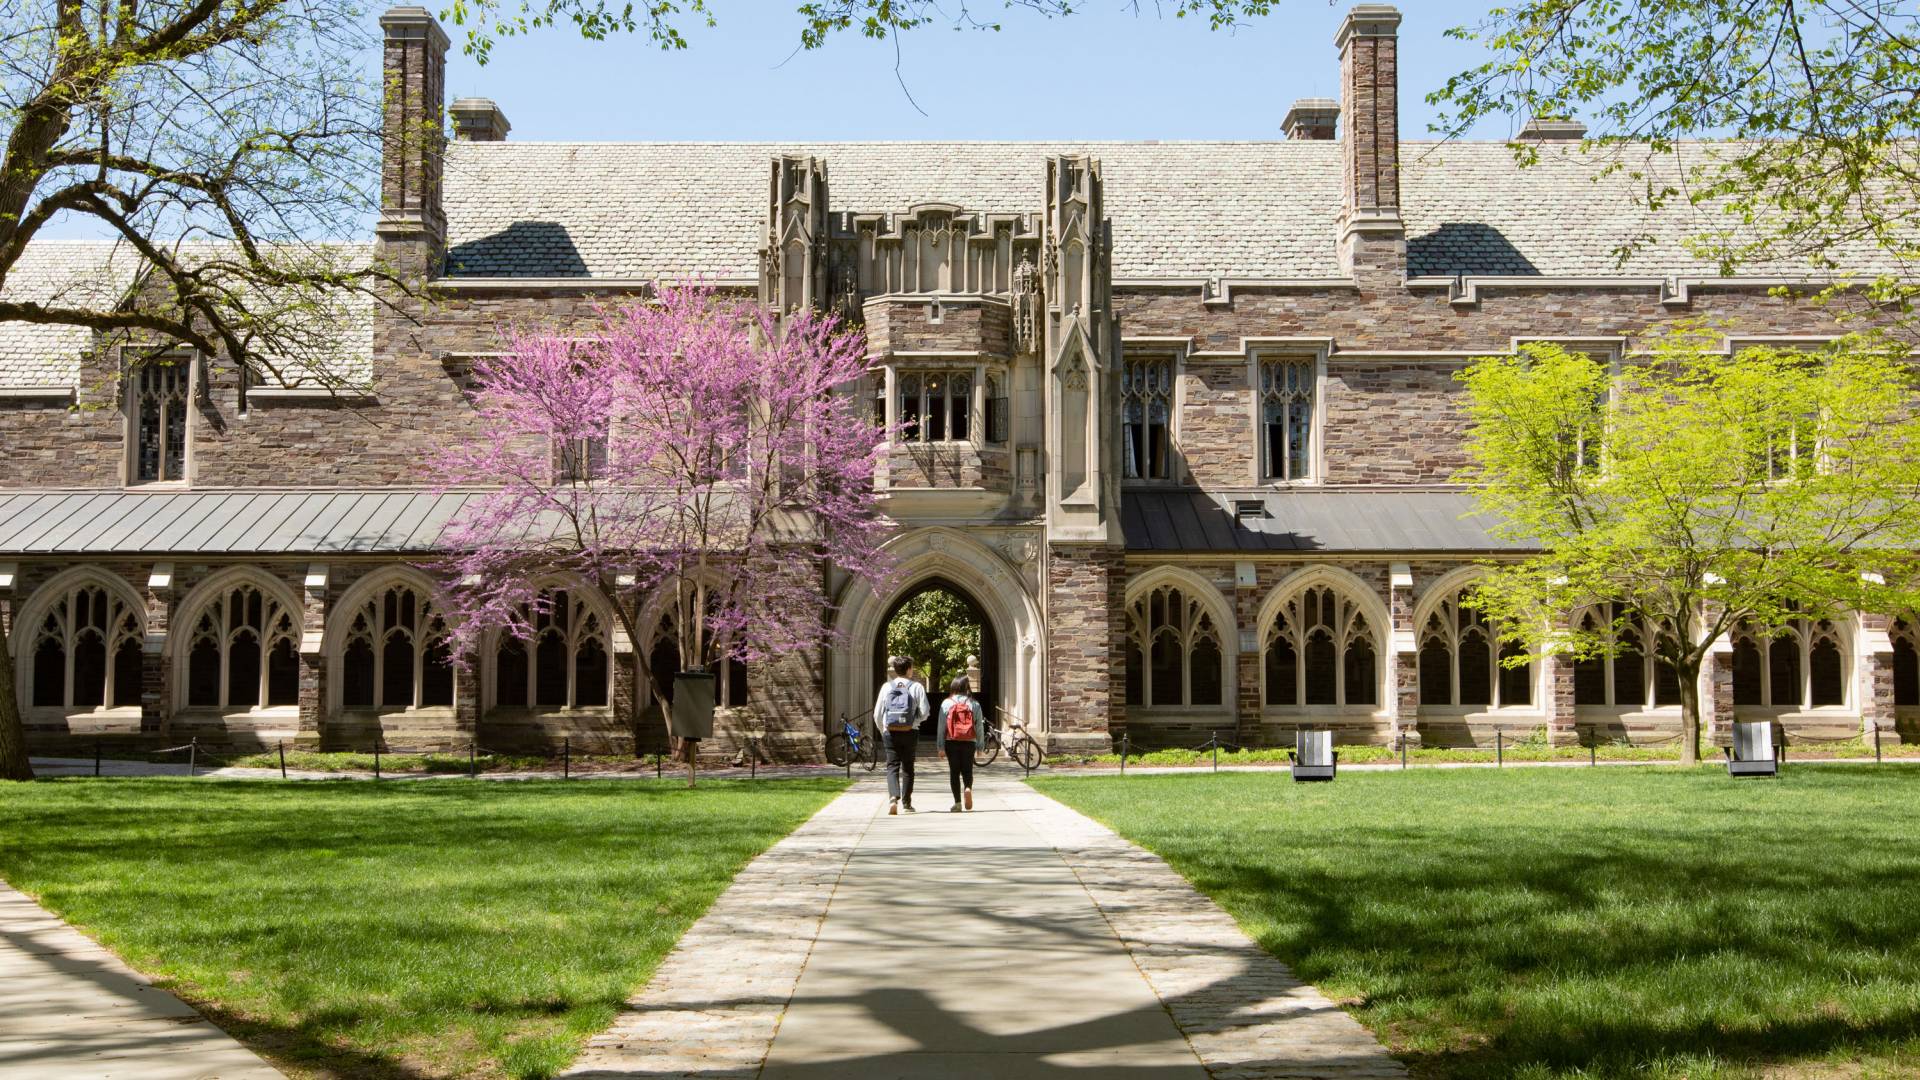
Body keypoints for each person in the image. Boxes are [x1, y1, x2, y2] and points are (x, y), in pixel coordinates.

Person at [872, 655, 929, 815]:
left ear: (896, 670)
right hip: (911, 731)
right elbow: (925, 712)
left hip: (890, 731)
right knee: (908, 767)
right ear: (909, 669)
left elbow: (877, 713)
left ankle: (893, 798)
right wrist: (913, 722)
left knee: (892, 765)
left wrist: (883, 728)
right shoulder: (917, 687)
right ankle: (907, 804)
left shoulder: (886, 687)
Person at [936, 674, 985, 813]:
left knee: (954, 772)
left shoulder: (946, 703)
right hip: (969, 741)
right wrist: (980, 746)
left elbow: (941, 727)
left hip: (951, 741)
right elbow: (979, 727)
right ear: (967, 687)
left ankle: (957, 803)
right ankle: (968, 788)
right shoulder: (974, 704)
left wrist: (940, 747)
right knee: (967, 770)